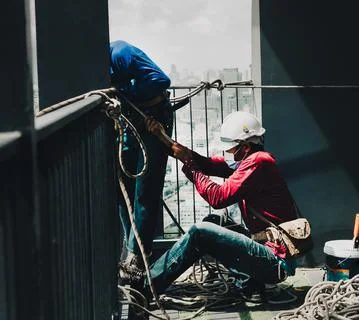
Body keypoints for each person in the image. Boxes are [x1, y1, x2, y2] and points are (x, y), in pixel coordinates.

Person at [136, 110, 300, 299]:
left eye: (231, 149)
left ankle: (146, 288)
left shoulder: (258, 162)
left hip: (274, 261)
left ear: (245, 147)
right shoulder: (249, 160)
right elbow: (206, 164)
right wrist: (162, 138)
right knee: (213, 221)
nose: (229, 153)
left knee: (201, 232)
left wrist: (190, 165)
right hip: (266, 250)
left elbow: (218, 197)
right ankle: (249, 283)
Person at [109, 40, 174, 278]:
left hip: (153, 118)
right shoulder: (112, 58)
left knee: (145, 190)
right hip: (133, 119)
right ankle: (133, 249)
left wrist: (125, 93)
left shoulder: (120, 54)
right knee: (123, 187)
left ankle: (138, 256)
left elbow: (162, 80)